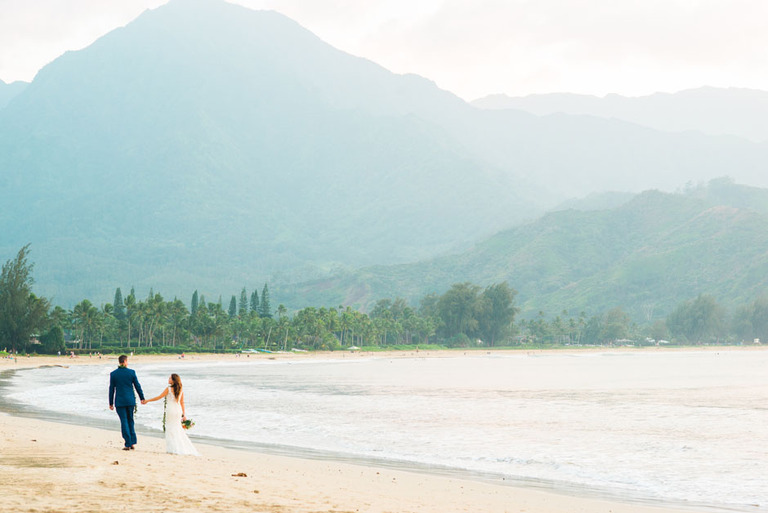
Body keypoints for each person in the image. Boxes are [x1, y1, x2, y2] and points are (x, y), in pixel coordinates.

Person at [145, 373, 199, 456]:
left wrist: (147, 400)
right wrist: (183, 414)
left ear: (173, 380)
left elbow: (159, 397)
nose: (168, 379)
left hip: (171, 410)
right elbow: (182, 402)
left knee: (170, 428)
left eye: (170, 378)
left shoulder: (169, 389)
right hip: (178, 410)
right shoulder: (180, 389)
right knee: (177, 428)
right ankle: (179, 447)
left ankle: (173, 448)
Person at [108, 354, 146, 451]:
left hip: (120, 401)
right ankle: (132, 442)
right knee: (130, 421)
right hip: (130, 401)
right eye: (127, 361)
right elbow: (137, 386)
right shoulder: (131, 372)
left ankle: (128, 443)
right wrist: (142, 398)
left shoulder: (113, 374)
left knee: (124, 421)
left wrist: (110, 402)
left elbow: (111, 389)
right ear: (124, 362)